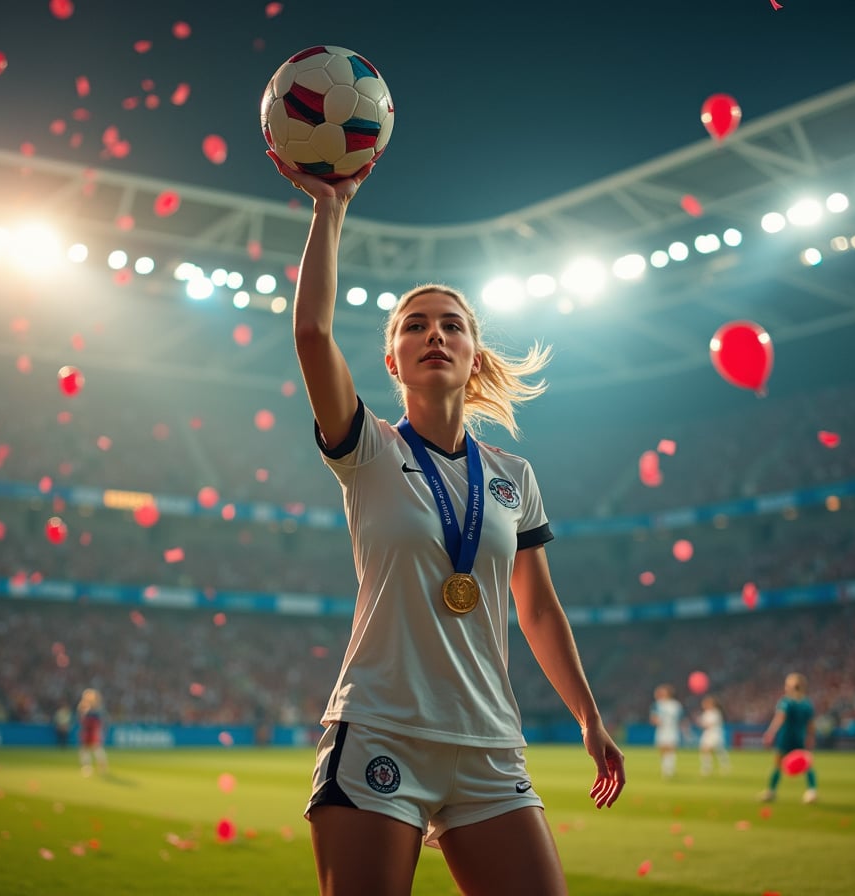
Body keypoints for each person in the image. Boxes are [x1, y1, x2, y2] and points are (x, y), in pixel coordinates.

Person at [268, 152, 625, 896]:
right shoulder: (367, 447)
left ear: (473, 354)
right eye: (416, 326)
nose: (436, 334)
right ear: (392, 359)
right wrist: (328, 209)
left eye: (452, 325)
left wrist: (588, 717)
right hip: (379, 732)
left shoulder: (513, 478)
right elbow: (310, 335)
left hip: (488, 746)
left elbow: (537, 608)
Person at [759, 672, 817, 803]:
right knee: (807, 765)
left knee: (778, 764)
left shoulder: (786, 702)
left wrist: (770, 733)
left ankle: (771, 791)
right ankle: (812, 791)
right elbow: (811, 724)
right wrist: (811, 737)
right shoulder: (807, 703)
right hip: (800, 737)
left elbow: (780, 718)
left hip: (786, 737)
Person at [650, 684, 684, 779]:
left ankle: (670, 770)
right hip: (662, 730)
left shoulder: (675, 705)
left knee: (671, 749)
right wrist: (656, 720)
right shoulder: (658, 704)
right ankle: (666, 770)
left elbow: (680, 719)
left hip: (672, 729)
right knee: (662, 750)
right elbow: (653, 718)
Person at [76, 688, 108, 776]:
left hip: (93, 730)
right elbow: (81, 718)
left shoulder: (96, 708)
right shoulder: (84, 706)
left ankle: (102, 766)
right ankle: (87, 767)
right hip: (87, 730)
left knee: (96, 748)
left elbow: (100, 719)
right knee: (85, 749)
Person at [696, 695, 730, 776]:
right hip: (708, 733)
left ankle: (722, 766)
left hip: (715, 733)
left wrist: (701, 723)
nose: (703, 705)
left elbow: (709, 724)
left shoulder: (715, 713)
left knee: (713, 750)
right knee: (710, 750)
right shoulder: (706, 713)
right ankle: (709, 768)